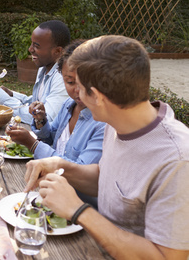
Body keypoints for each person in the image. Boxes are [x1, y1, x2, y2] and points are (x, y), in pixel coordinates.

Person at [24, 35, 189, 259]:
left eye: (79, 87)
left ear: (98, 97)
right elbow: (110, 179)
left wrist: (79, 211)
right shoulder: (117, 120)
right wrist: (61, 165)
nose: (76, 96)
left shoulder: (177, 159)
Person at [6, 40, 105, 165]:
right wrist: (41, 120)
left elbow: (81, 171)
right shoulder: (69, 105)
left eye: (85, 82)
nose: (78, 90)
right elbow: (51, 138)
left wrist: (33, 145)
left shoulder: (103, 124)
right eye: (70, 82)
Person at [0, 20, 70, 124]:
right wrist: (12, 95)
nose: (30, 49)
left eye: (37, 46)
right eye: (31, 44)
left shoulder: (62, 78)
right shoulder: (44, 68)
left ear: (58, 51)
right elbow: (37, 102)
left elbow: (43, 118)